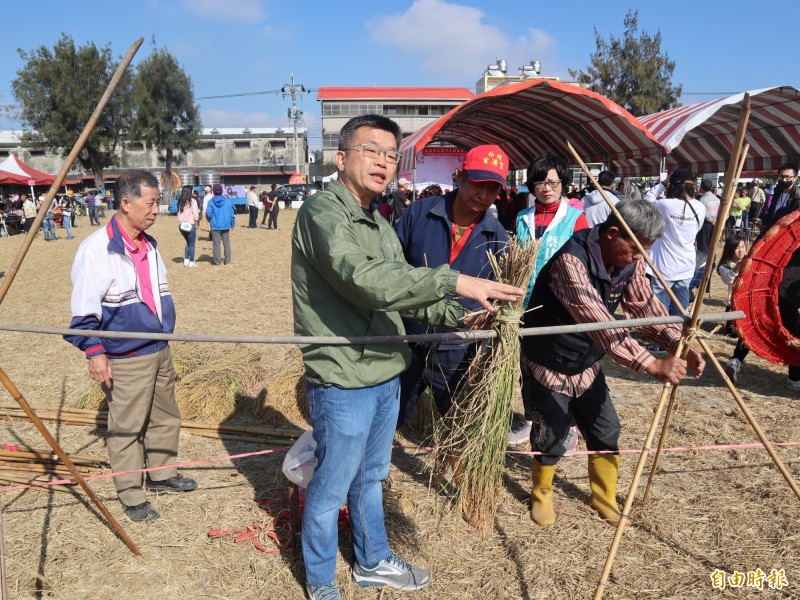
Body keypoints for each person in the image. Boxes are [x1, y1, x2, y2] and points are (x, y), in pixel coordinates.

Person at [292, 114, 523, 600]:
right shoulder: (322, 214)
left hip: (385, 370)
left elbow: (403, 292)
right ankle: (319, 582)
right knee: (331, 487)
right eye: (370, 150)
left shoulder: (378, 221)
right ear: (341, 158)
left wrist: (460, 317)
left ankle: (372, 560)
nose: (382, 161)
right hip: (345, 377)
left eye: (390, 154)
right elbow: (362, 278)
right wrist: (453, 280)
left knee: (372, 475)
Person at [521, 199, 705, 527]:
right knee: (552, 432)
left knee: (606, 428)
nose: (640, 258)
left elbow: (644, 305)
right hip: (549, 359)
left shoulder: (630, 261)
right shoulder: (571, 262)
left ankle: (602, 496)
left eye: (645, 251)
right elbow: (601, 324)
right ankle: (542, 493)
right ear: (613, 233)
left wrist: (677, 341)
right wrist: (652, 364)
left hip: (587, 362)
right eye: (636, 250)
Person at [64, 170, 197, 523]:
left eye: (158, 201)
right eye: (151, 202)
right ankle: (131, 494)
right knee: (127, 426)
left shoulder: (149, 244)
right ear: (125, 203)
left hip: (158, 348)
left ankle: (163, 473)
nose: (157, 209)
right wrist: (95, 353)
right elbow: (83, 311)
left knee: (165, 416)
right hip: (126, 356)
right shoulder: (97, 249)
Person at [394, 144, 510, 427]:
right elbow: (391, 268)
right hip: (407, 336)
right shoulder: (418, 215)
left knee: (458, 418)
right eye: (477, 184)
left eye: (492, 189)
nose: (483, 196)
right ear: (459, 177)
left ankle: (457, 466)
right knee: (391, 415)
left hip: (457, 344)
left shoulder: (498, 237)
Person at [508, 154, 589, 447]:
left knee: (562, 365)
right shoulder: (522, 218)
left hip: (561, 304)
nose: (546, 188)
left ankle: (569, 424)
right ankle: (531, 419)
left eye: (552, 182)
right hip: (527, 303)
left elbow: (585, 259)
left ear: (563, 184)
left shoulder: (575, 217)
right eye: (540, 182)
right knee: (528, 365)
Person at [725, 162, 800, 388]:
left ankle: (737, 360)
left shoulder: (796, 202)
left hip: (790, 266)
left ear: (795, 178)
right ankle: (794, 377)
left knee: (764, 317)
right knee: (780, 321)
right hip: (773, 268)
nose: (784, 180)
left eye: (788, 177)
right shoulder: (772, 196)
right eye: (782, 176)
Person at [643, 168, 705, 317]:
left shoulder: (665, 205)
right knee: (681, 307)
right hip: (687, 264)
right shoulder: (700, 207)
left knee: (660, 308)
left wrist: (662, 184)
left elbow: (645, 201)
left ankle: (661, 339)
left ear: (674, 186)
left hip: (664, 265)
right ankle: (677, 337)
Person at [206, 183, 235, 265]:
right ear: (222, 191)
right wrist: (232, 225)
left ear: (213, 192)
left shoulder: (210, 202)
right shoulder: (228, 202)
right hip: (225, 226)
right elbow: (232, 214)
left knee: (216, 244)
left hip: (215, 226)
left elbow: (208, 214)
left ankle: (217, 262)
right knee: (226, 243)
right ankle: (228, 260)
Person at [177, 185, 199, 267]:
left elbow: (178, 214)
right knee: (192, 244)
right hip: (190, 225)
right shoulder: (192, 201)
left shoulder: (180, 201)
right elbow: (195, 214)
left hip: (182, 225)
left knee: (188, 242)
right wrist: (196, 223)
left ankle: (186, 260)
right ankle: (192, 262)